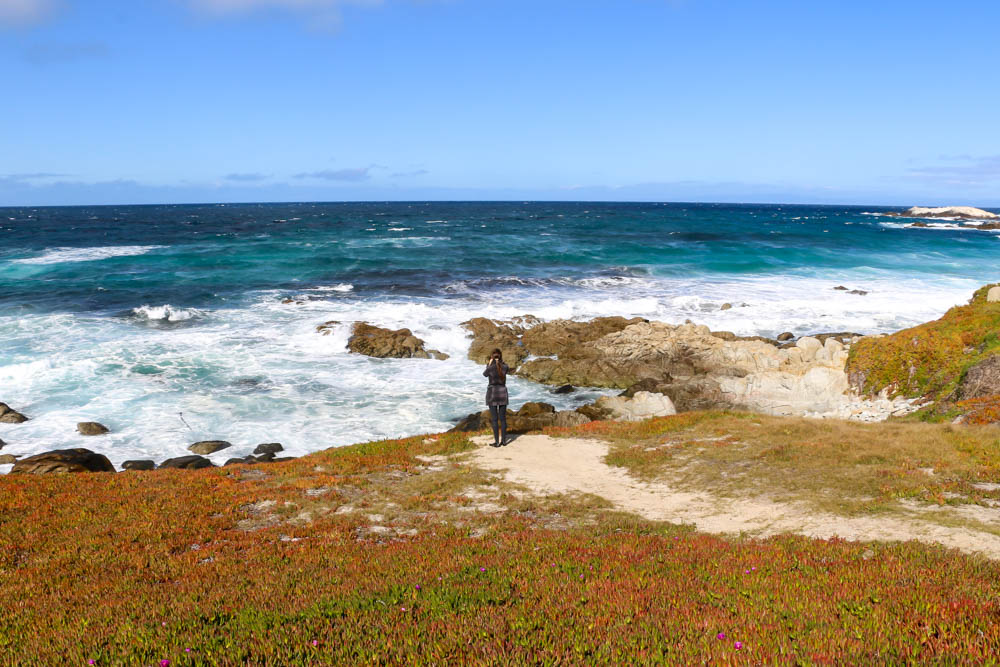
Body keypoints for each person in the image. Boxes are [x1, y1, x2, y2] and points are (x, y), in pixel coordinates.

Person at [483, 348, 509, 447]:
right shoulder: (505, 367)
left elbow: (485, 374)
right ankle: (504, 441)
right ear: (500, 356)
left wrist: (489, 364)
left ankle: (497, 442)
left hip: (492, 393)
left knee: (494, 419)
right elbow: (504, 368)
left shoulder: (490, 368)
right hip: (503, 392)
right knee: (502, 419)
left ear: (492, 357)